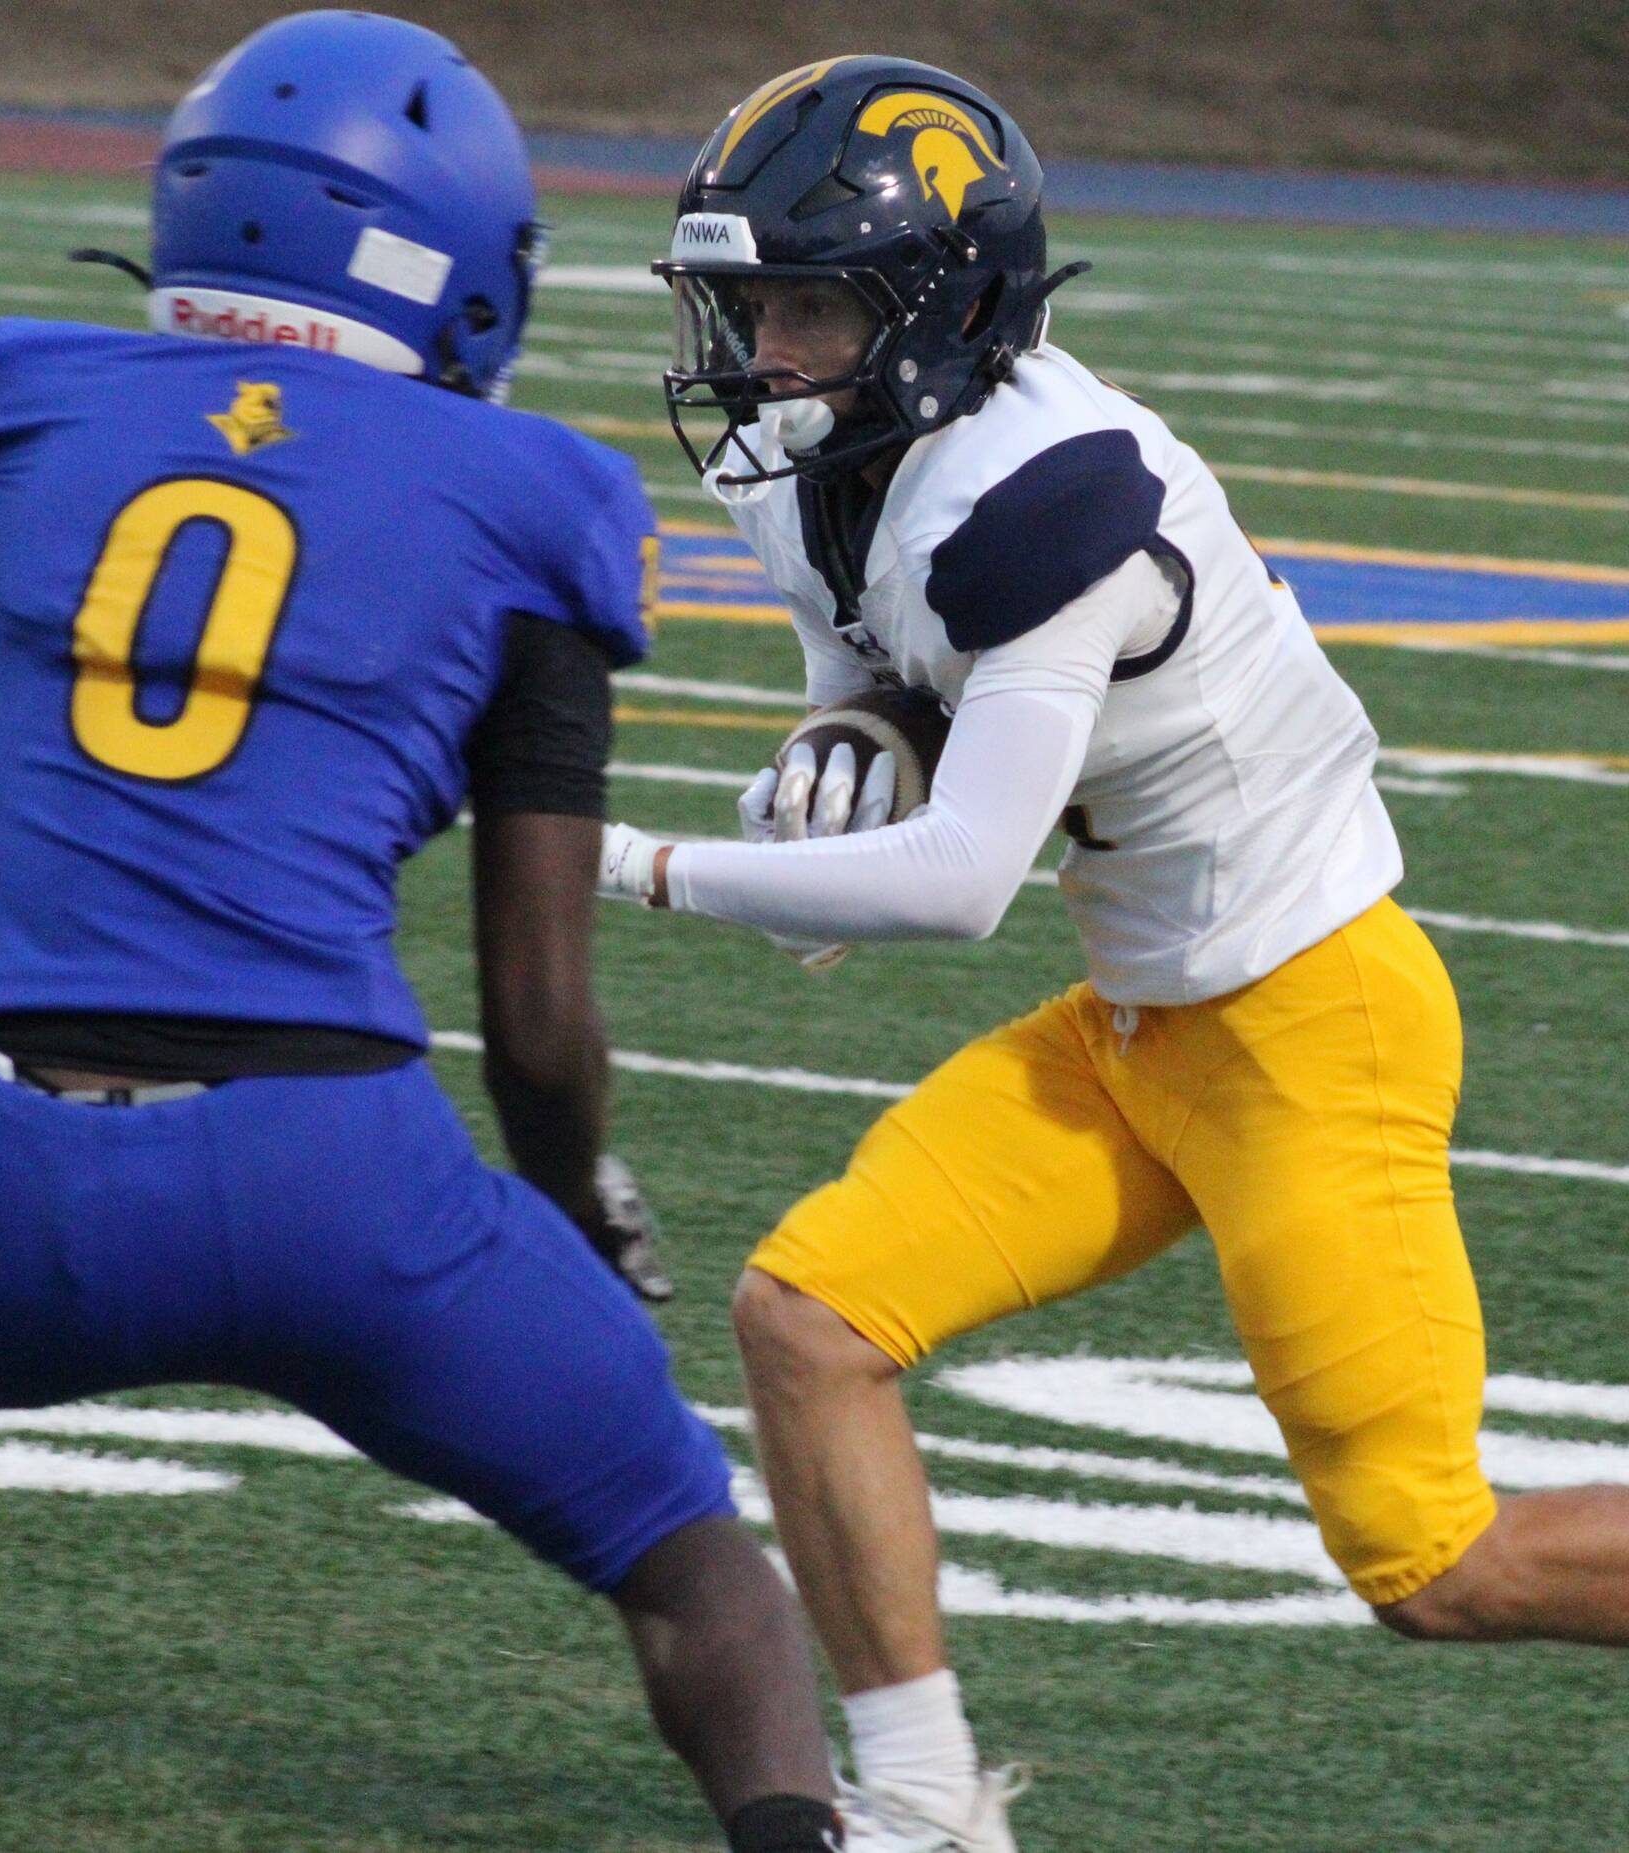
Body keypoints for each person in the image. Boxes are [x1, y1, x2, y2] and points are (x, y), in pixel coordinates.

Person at [0, 15, 837, 1853]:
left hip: (14, 1170)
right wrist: (565, 1210)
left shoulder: (34, 400)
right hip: (344, 1180)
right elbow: (537, 1021)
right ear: (452, 263)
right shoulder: (533, 496)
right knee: (694, 1563)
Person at [599, 55, 1629, 1853]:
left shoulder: (1046, 501)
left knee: (1430, 1559)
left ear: (940, 312)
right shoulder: (822, 461)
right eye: (749, 299)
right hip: (1142, 1015)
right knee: (807, 1318)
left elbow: (952, 887)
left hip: (1311, 1022)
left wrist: (618, 861)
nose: (762, 348)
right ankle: (925, 1808)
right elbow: (876, 668)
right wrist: (853, 743)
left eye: (811, 302)